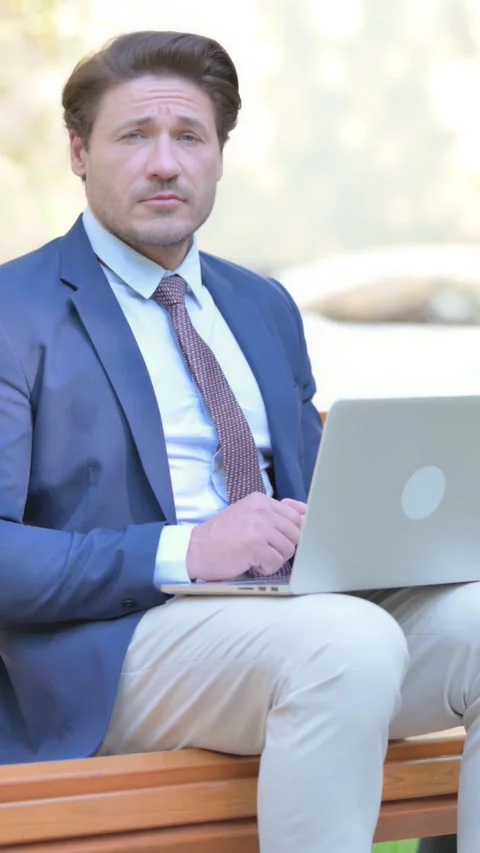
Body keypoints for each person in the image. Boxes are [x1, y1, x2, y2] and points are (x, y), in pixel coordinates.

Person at [0, 30, 477, 853]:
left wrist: (417, 542)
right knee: (347, 643)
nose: (163, 162)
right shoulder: (17, 310)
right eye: (133, 136)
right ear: (79, 152)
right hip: (116, 648)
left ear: (219, 154)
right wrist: (188, 549)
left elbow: (327, 501)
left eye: (189, 136)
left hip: (297, 622)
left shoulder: (262, 305)